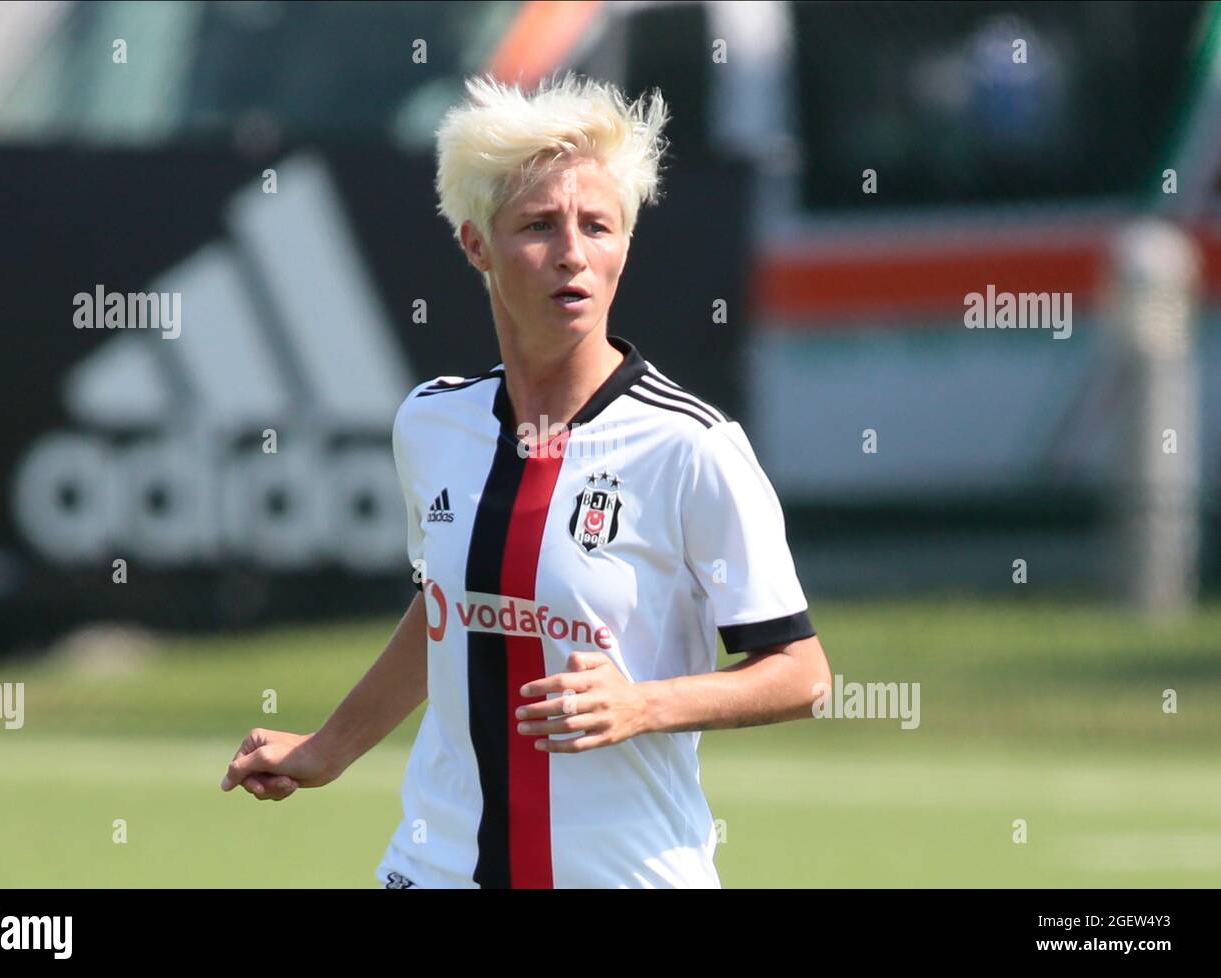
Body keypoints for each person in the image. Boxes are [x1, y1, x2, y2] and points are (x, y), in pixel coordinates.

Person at [221, 73, 832, 888]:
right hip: (435, 866)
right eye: (540, 225)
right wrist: (329, 747)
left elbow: (801, 672)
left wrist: (641, 704)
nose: (573, 253)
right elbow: (448, 608)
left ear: (625, 243)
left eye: (597, 226)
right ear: (477, 244)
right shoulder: (431, 423)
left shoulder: (691, 446)